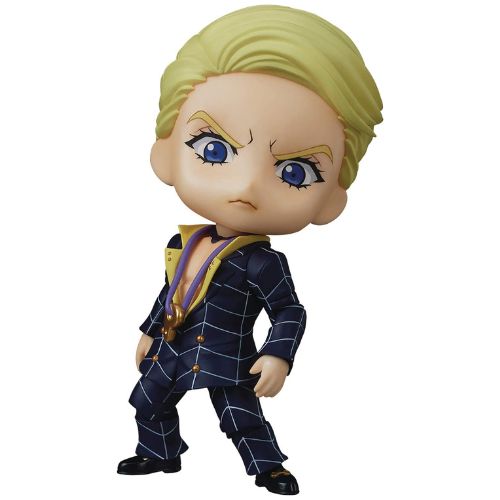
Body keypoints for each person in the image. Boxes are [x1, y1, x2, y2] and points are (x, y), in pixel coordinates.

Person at [117, 5, 383, 495]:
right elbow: (172, 292)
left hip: (229, 355)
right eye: (214, 149)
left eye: (294, 172)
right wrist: (149, 331)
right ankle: (159, 453)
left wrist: (278, 354)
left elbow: (289, 310)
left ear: (331, 200)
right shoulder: (182, 243)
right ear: (165, 152)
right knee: (147, 401)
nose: (246, 185)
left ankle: (269, 468)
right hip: (174, 346)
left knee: (240, 415)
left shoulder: (262, 261)